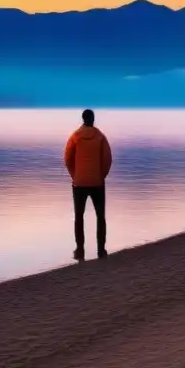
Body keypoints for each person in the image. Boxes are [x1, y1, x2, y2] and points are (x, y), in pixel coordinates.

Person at [64, 108, 113, 260]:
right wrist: (101, 176)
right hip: (97, 183)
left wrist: (75, 175)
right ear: (93, 119)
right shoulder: (100, 136)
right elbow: (108, 159)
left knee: (79, 216)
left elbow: (67, 159)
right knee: (100, 216)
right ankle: (101, 249)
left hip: (79, 184)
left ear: (83, 119)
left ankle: (80, 250)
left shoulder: (75, 136)